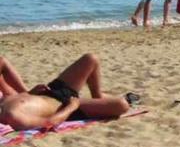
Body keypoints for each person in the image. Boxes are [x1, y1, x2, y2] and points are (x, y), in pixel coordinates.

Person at [0, 54, 130, 130]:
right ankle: (98, 103)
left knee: (91, 59)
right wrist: (71, 107)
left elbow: (2, 62)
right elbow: (49, 123)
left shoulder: (5, 101)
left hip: (50, 91)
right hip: (64, 106)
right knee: (122, 105)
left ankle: (98, 96)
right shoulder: (12, 116)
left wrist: (28, 92)